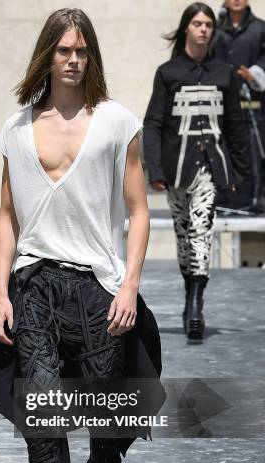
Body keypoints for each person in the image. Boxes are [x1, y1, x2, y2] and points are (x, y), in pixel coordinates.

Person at [0, 7, 164, 463]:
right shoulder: (15, 129)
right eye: (63, 49)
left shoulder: (115, 122)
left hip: (98, 286)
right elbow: (7, 216)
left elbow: (138, 211)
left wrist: (130, 284)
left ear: (92, 57)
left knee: (110, 413)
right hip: (33, 283)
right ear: (47, 55)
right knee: (41, 406)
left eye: (82, 49)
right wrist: (2, 291)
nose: (73, 59)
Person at [143, 2, 249, 343]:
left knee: (201, 230)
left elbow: (235, 125)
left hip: (210, 167)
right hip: (176, 169)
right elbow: (154, 123)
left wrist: (240, 172)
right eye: (197, 23)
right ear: (186, 28)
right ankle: (190, 293)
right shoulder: (168, 72)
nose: (203, 28)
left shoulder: (224, 73)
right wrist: (155, 169)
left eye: (207, 24)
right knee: (185, 235)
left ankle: (194, 306)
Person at [213, 0, 265, 213]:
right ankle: (225, 198)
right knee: (222, 148)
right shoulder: (214, 28)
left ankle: (257, 199)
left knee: (255, 148)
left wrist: (255, 74)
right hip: (221, 103)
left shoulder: (260, 28)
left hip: (254, 104)